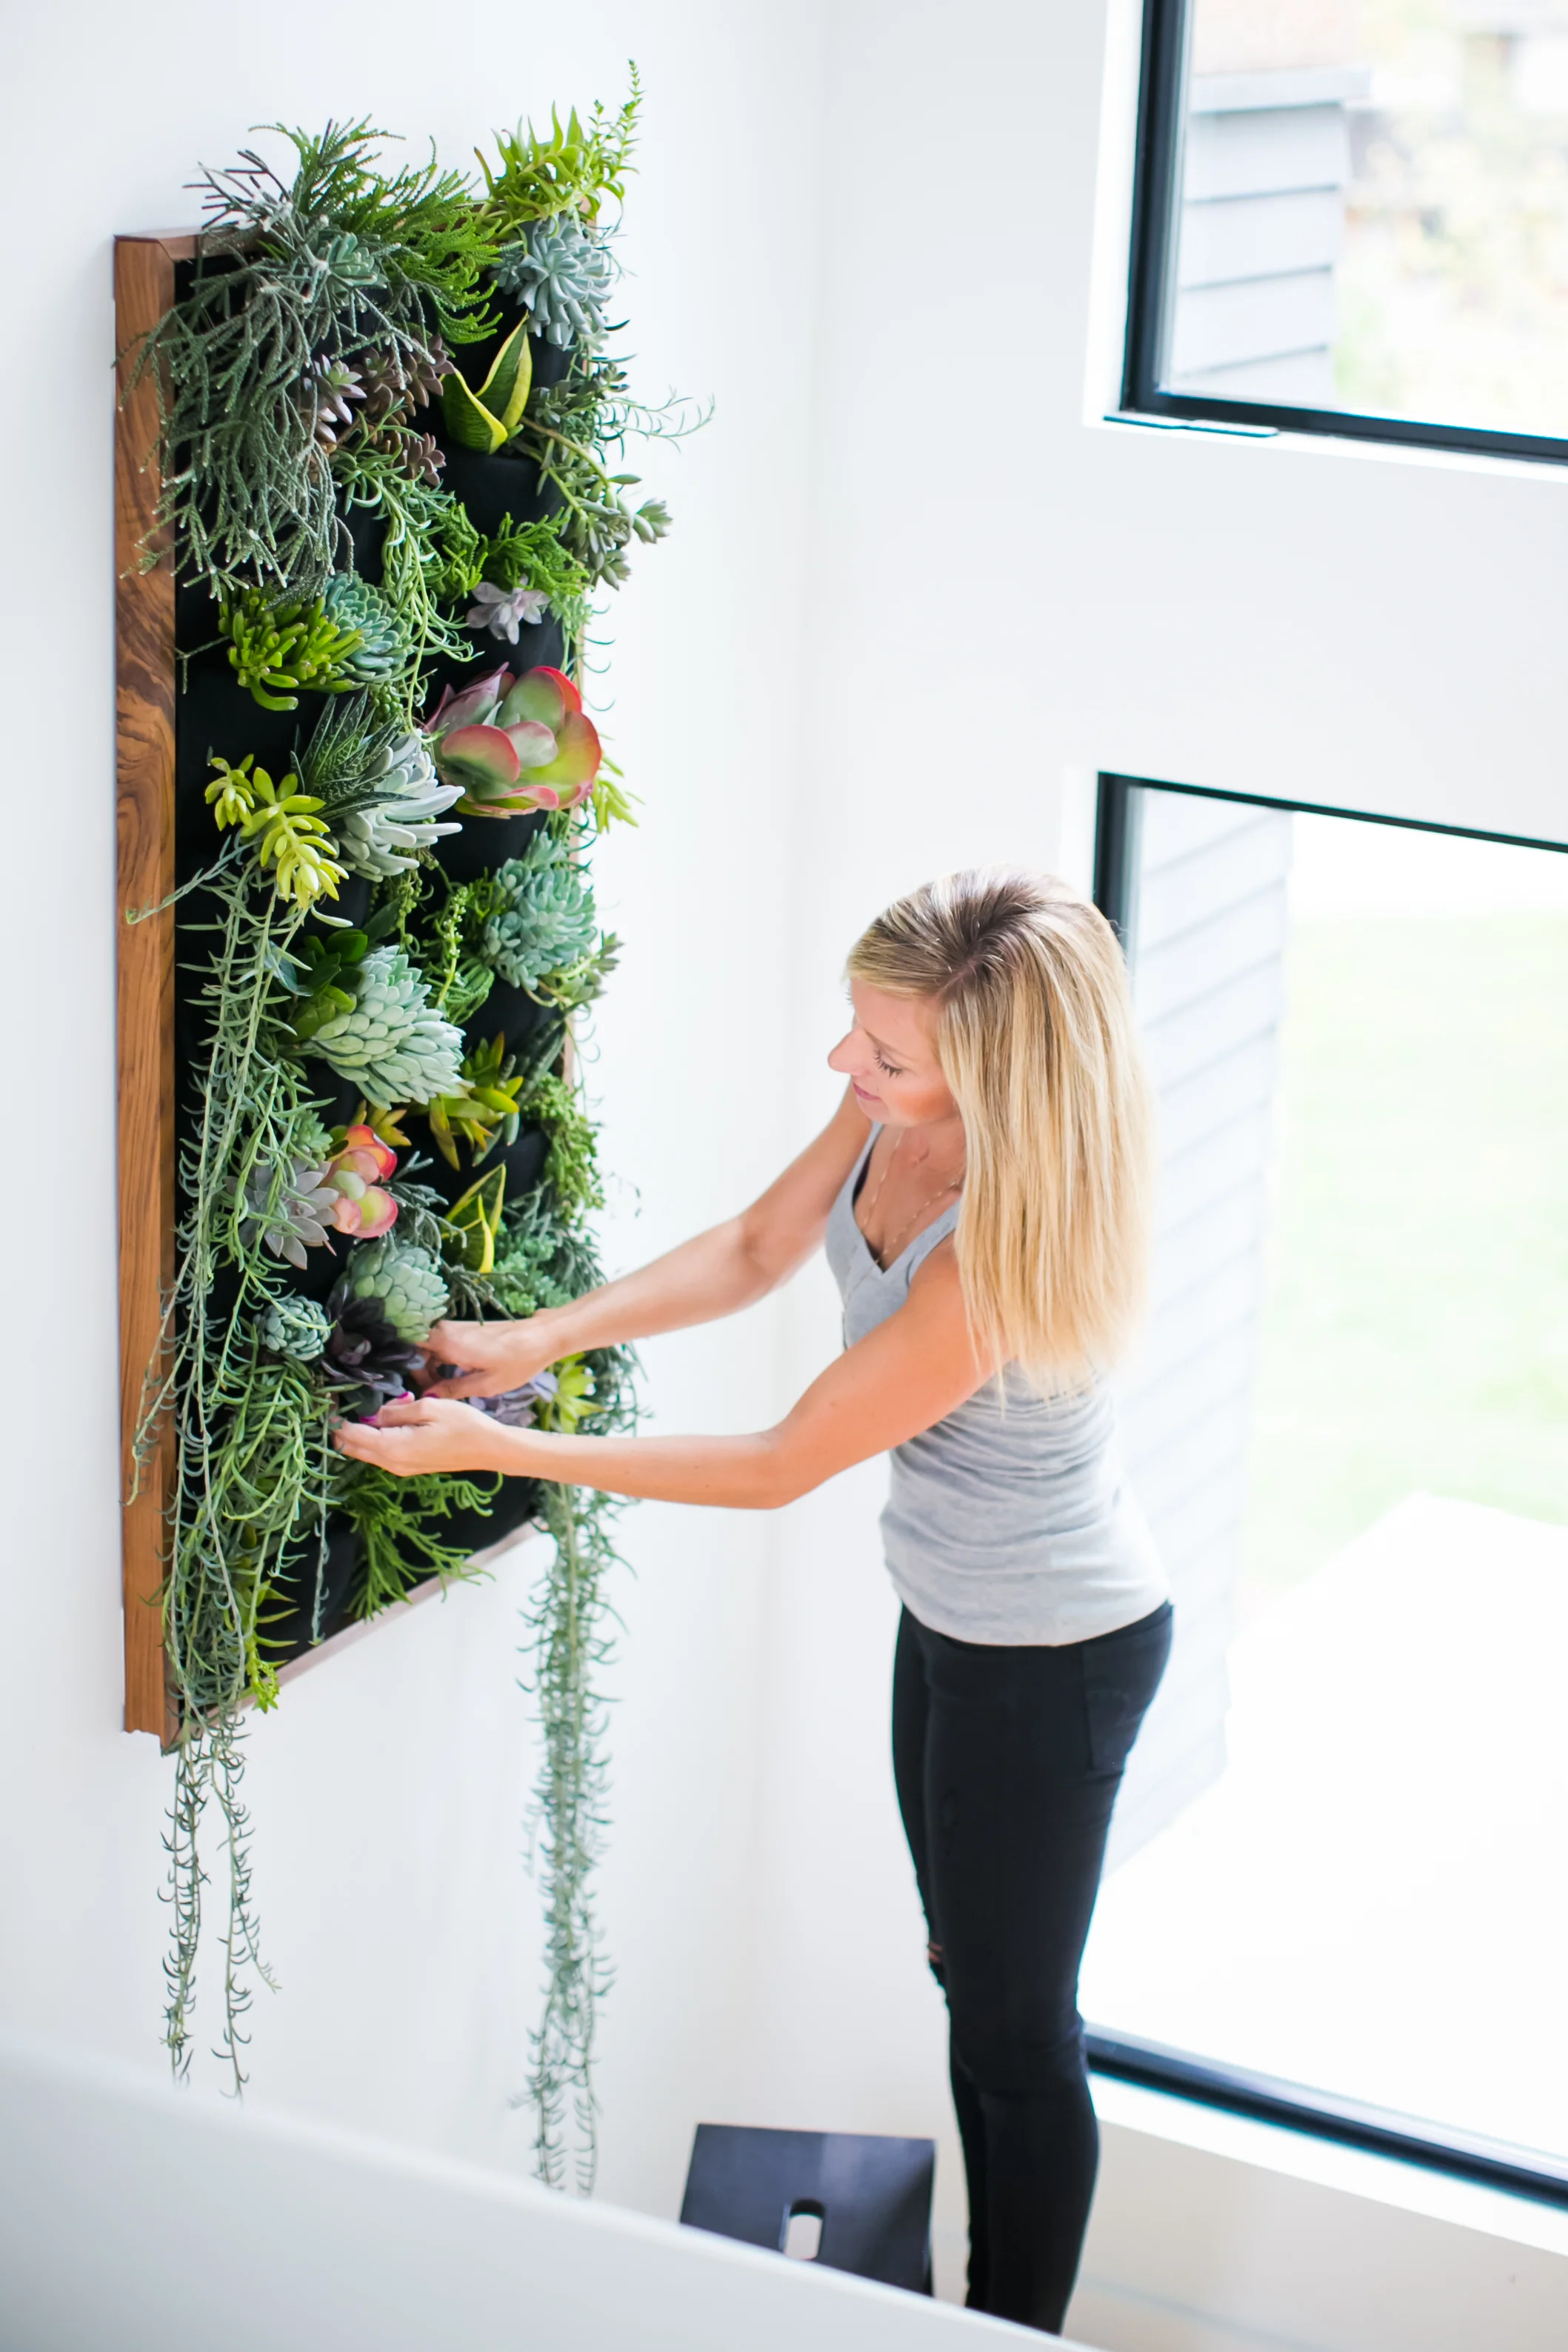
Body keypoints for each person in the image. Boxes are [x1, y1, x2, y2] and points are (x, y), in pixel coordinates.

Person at [335, 866, 1171, 2335]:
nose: (846, 1063)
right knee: (966, 1975)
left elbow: (784, 1461)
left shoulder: (992, 1254)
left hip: (1054, 1659)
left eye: (883, 1053)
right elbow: (754, 1248)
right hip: (948, 1617)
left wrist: (503, 1446)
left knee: (1016, 2033)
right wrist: (539, 1336)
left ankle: (1005, 2328)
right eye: (857, 1029)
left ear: (992, 1079)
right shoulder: (895, 1103)